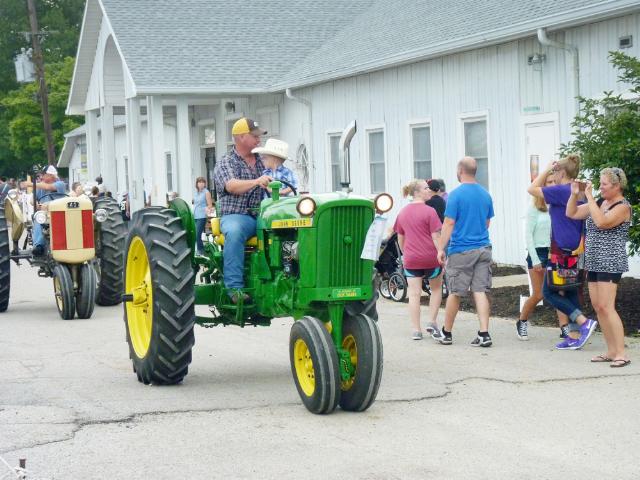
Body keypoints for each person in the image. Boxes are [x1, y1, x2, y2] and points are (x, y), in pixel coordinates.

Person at [527, 154, 597, 350]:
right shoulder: (577, 191)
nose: (553, 176)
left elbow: (531, 189)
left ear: (562, 172)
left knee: (548, 292)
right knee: (571, 290)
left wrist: (546, 169)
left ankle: (583, 322)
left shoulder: (560, 190)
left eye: (556, 172)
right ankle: (575, 336)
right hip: (575, 247)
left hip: (561, 248)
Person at [566, 168, 631, 367]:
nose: (600, 187)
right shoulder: (600, 203)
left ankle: (621, 353)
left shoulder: (623, 207)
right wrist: (574, 193)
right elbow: (572, 213)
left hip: (610, 261)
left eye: (604, 184)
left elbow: (602, 222)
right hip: (593, 260)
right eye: (600, 184)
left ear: (616, 186)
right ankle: (610, 351)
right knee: (598, 307)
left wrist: (588, 196)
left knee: (607, 306)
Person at [435, 157, 494, 347]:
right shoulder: (486, 195)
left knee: (456, 292)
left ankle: (447, 333)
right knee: (480, 291)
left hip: (461, 250)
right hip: (483, 248)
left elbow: (449, 222)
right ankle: (484, 333)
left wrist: (440, 248)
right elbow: (487, 223)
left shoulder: (455, 195)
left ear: (460, 170)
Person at [213, 117, 271, 303]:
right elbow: (231, 186)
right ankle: (234, 289)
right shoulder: (226, 162)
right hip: (237, 216)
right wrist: (256, 181)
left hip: (263, 215)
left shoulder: (263, 162)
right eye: (255, 136)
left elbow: (278, 179)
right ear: (241, 137)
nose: (258, 140)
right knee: (236, 232)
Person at [517, 173, 569, 340]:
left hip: (555, 251)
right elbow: (528, 236)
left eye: (554, 181)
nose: (552, 184)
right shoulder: (533, 206)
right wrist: (536, 259)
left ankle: (565, 328)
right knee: (539, 294)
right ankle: (522, 321)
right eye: (549, 182)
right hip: (538, 253)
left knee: (559, 291)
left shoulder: (557, 204)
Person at [394, 179, 443, 340]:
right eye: (426, 188)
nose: (429, 190)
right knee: (436, 289)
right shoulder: (430, 212)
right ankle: (432, 321)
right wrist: (441, 252)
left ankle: (416, 330)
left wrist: (405, 254)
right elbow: (436, 236)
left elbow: (400, 238)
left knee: (414, 294)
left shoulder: (402, 213)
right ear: (416, 192)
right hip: (431, 258)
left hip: (412, 259)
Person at [20, 165, 66, 256]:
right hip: (45, 215)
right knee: (39, 217)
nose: (41, 177)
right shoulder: (40, 187)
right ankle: (39, 246)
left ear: (51, 175)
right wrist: (36, 204)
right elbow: (32, 200)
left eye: (43, 174)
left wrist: (30, 184)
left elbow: (48, 187)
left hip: (59, 214)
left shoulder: (60, 184)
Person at [193, 176, 214, 255]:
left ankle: (201, 251)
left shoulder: (206, 192)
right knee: (194, 234)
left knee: (197, 234)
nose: (201, 184)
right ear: (197, 184)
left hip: (202, 216)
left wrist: (206, 208)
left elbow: (210, 205)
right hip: (194, 215)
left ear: (205, 184)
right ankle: (198, 250)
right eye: (199, 182)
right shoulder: (196, 193)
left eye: (202, 182)